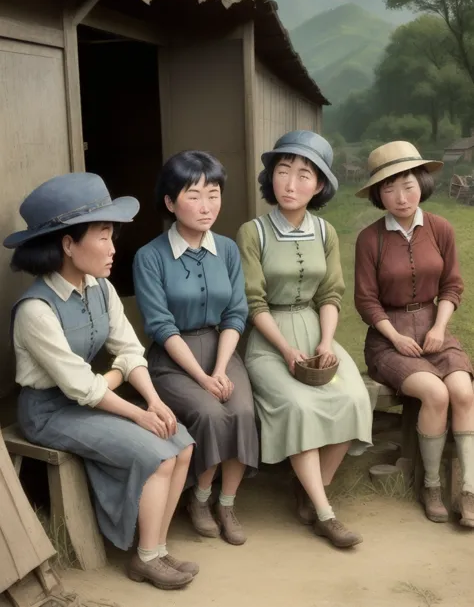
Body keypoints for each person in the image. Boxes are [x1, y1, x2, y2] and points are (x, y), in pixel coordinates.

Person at [4, 173, 197, 591]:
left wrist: (153, 401)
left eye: (113, 236)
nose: (113, 248)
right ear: (68, 244)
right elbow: (81, 388)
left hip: (91, 399)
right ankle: (145, 559)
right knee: (157, 454)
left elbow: (130, 350)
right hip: (48, 411)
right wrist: (134, 410)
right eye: (104, 237)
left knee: (180, 441)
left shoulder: (101, 288)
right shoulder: (35, 310)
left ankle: (157, 548)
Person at [236, 130, 372, 549]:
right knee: (297, 405)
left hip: (317, 333)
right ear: (271, 178)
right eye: (283, 172)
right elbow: (253, 302)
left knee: (353, 399)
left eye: (304, 175)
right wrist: (285, 349)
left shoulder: (326, 232)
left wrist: (326, 342)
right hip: (269, 340)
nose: (291, 184)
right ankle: (326, 513)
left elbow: (331, 293)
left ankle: (309, 493)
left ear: (319, 185)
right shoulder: (253, 232)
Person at [133, 151, 259, 546]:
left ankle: (226, 501)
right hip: (173, 357)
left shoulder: (227, 249)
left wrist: (221, 369)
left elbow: (237, 313)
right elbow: (160, 326)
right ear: (170, 203)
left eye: (214, 194)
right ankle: (200, 500)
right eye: (194, 195)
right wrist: (203, 378)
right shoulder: (149, 256)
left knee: (241, 409)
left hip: (221, 348)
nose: (207, 206)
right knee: (208, 412)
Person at [354, 141, 474, 527]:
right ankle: (432, 486)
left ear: (421, 182)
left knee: (463, 391)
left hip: (434, 332)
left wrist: (439, 327)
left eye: (407, 184)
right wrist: (394, 337)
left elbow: (452, 286)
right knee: (436, 393)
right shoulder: (369, 238)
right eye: (388, 188)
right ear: (378, 194)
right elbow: (366, 301)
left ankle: (470, 490)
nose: (400, 196)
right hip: (388, 339)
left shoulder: (440, 228)